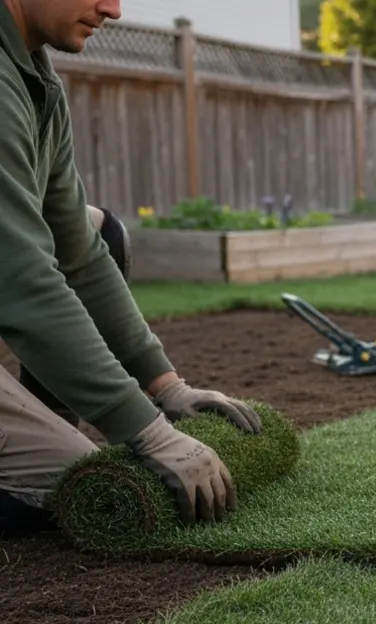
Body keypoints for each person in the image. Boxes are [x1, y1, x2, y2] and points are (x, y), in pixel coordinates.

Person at [0, 0, 261, 529]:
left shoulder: (35, 77)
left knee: (101, 229)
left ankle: (39, 422)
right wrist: (148, 432)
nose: (113, 9)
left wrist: (165, 387)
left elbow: (77, 250)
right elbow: (21, 279)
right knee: (80, 485)